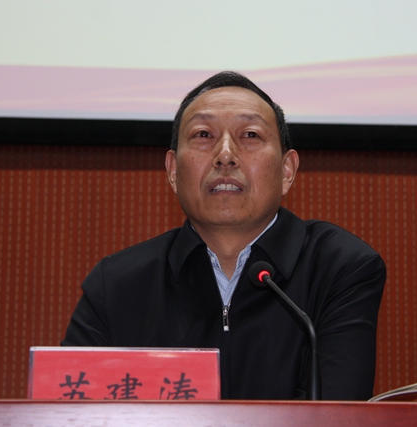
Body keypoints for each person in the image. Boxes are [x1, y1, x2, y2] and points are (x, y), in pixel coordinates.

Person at [61, 71, 386, 400]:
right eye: (203, 135)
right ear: (173, 171)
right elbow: (70, 410)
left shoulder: (338, 267)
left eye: (250, 135)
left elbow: (336, 413)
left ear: (287, 171)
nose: (226, 155)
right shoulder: (118, 284)